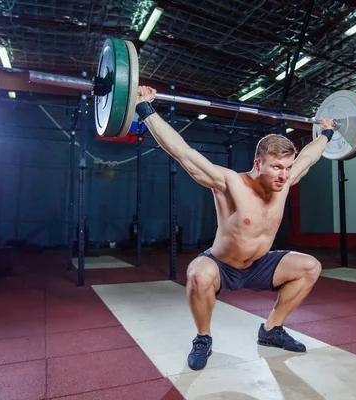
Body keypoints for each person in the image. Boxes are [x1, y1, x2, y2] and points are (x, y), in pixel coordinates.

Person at [136, 86, 336, 371]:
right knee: (197, 274)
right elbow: (182, 152)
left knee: (310, 266)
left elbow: (310, 157)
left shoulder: (285, 183)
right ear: (258, 163)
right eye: (277, 167)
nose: (284, 175)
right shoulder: (230, 183)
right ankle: (203, 339)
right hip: (222, 266)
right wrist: (145, 109)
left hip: (259, 265)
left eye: (287, 168)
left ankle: (271, 330)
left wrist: (326, 132)